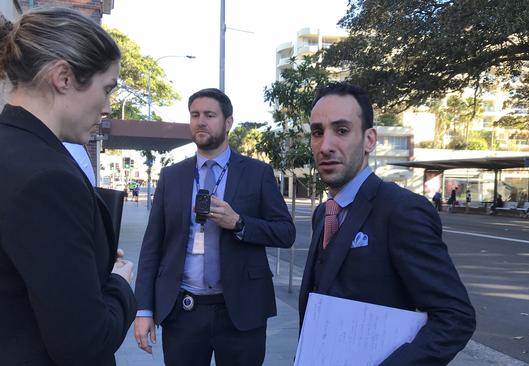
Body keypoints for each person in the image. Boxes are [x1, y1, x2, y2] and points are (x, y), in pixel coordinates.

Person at [299, 82, 475, 364]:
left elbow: (455, 317)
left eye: (341, 130)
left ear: (370, 140)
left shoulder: (402, 210)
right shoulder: (324, 213)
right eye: (318, 132)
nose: (326, 145)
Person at [0, 8, 136, 366]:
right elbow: (85, 344)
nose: (107, 108)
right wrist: (119, 284)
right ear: (63, 77)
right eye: (106, 89)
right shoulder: (49, 179)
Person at [134, 88, 296, 366]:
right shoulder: (172, 176)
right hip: (183, 311)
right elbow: (152, 246)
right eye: (195, 115)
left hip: (241, 312)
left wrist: (239, 223)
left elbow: (285, 232)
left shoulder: (257, 173)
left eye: (210, 115)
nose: (201, 121)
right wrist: (143, 309)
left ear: (228, 122)